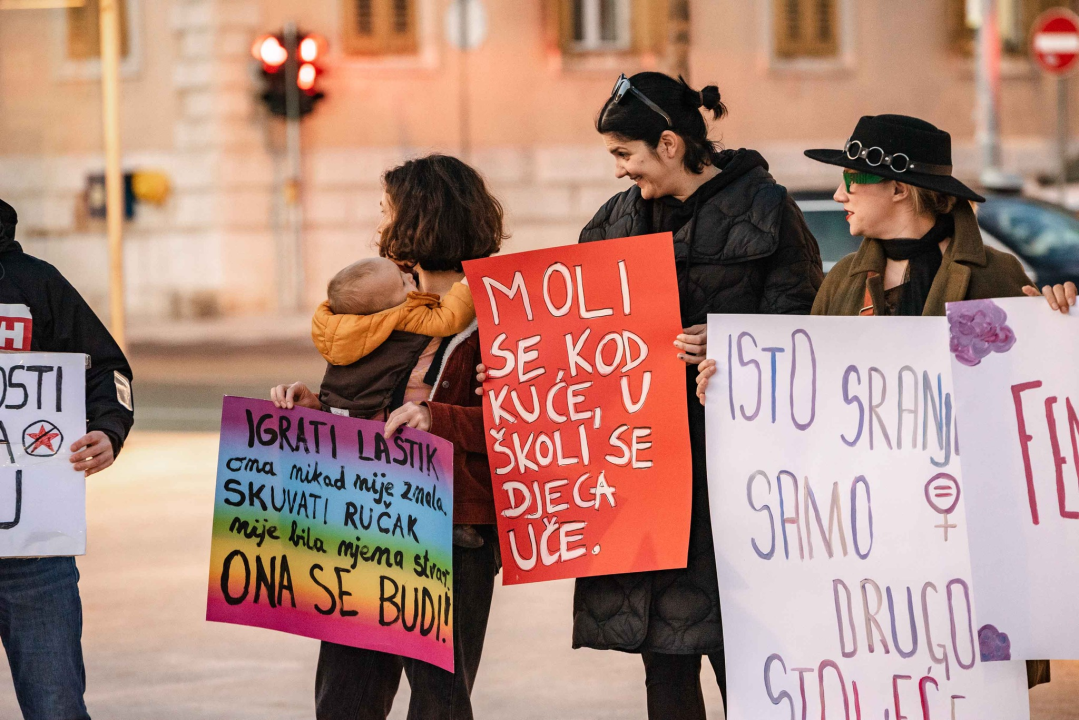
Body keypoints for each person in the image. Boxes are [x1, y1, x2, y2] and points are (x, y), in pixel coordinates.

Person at [696, 113, 1052, 689]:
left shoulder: (997, 276)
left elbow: (1034, 413)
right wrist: (735, 392)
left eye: (851, 180)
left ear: (899, 186)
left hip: (963, 547)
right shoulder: (840, 287)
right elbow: (802, 409)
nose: (839, 193)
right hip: (865, 548)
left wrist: (1054, 320)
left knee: (966, 693)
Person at [568, 71, 822, 719]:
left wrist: (735, 345)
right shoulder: (612, 222)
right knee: (664, 661)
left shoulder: (766, 208)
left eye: (625, 154)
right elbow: (571, 335)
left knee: (752, 662)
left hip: (738, 481)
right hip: (642, 477)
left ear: (670, 145)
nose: (620, 170)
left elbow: (809, 331)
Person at [270, 154, 505, 720]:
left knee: (439, 704)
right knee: (346, 700)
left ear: (421, 218)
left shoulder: (500, 314)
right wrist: (317, 408)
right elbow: (362, 406)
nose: (380, 222)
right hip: (365, 525)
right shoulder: (385, 306)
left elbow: (522, 427)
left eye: (387, 209)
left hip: (453, 535)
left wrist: (437, 419)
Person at [0, 198, 135, 720]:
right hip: (36, 539)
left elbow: (108, 369)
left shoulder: (35, 283)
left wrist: (108, 429)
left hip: (34, 549)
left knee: (55, 706)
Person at [311, 256, 474, 418]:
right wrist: (468, 283)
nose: (410, 276)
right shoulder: (403, 314)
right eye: (403, 283)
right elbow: (448, 319)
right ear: (385, 309)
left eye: (401, 272)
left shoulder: (340, 328)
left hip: (347, 408)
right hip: (386, 414)